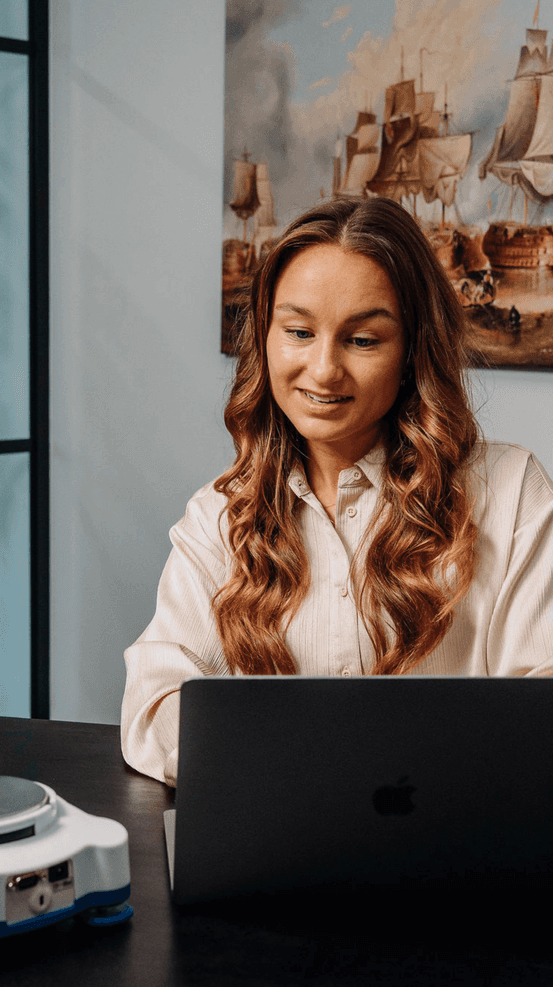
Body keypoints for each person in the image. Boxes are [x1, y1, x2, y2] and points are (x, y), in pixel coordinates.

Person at [122, 196, 553, 786]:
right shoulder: (218, 516)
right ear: (265, 338)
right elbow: (152, 705)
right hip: (274, 834)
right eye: (299, 332)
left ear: (411, 351)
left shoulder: (511, 491)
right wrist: (303, 766)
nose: (323, 369)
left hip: (460, 837)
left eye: (363, 340)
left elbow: (541, 705)